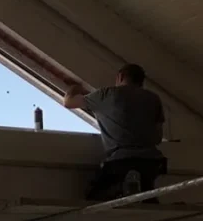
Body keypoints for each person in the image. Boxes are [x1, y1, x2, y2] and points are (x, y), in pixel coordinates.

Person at [63, 63, 166, 201]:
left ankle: (123, 189)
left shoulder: (107, 94)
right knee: (147, 200)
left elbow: (69, 102)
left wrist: (76, 87)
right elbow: (158, 137)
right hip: (152, 163)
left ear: (120, 77)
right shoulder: (153, 98)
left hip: (120, 161)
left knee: (95, 197)